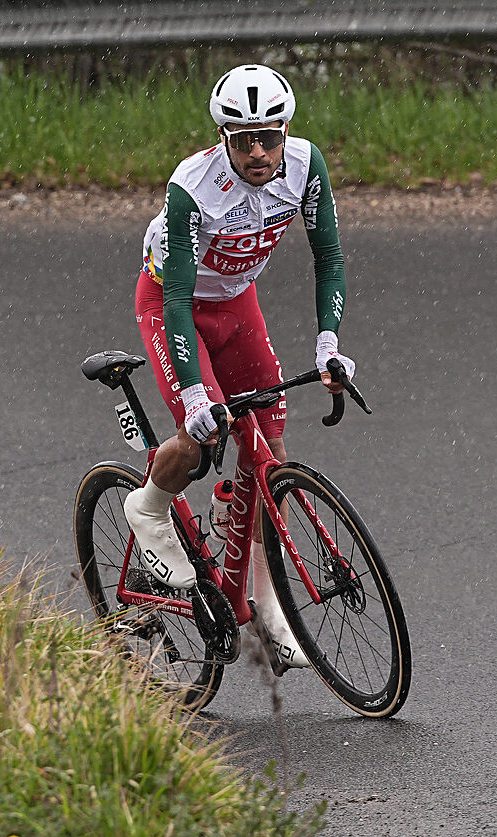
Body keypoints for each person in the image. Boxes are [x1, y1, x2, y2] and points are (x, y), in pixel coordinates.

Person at [123, 64, 354, 672]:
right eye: (243, 139)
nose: (257, 152)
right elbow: (177, 297)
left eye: (268, 137)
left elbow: (328, 258)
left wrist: (328, 345)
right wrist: (195, 396)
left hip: (236, 301)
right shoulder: (192, 187)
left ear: (285, 132)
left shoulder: (305, 166)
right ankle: (148, 505)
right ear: (222, 137)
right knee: (200, 435)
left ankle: (270, 608)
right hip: (173, 304)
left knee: (269, 450)